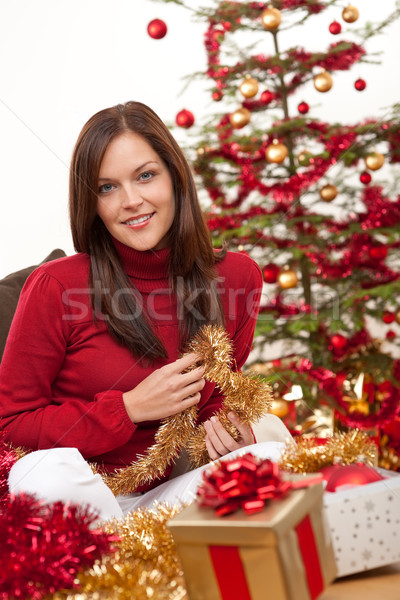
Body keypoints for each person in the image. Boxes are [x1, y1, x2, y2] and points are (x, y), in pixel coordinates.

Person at [0, 101, 290, 520]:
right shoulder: (56, 285)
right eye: (107, 187)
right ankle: (116, 560)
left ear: (174, 176)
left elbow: (215, 395)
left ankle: (155, 554)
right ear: (92, 203)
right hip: (85, 499)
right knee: (44, 475)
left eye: (145, 176)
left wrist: (227, 428)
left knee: (272, 451)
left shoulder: (236, 277)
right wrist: (129, 407)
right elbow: (11, 424)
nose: (131, 200)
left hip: (172, 495)